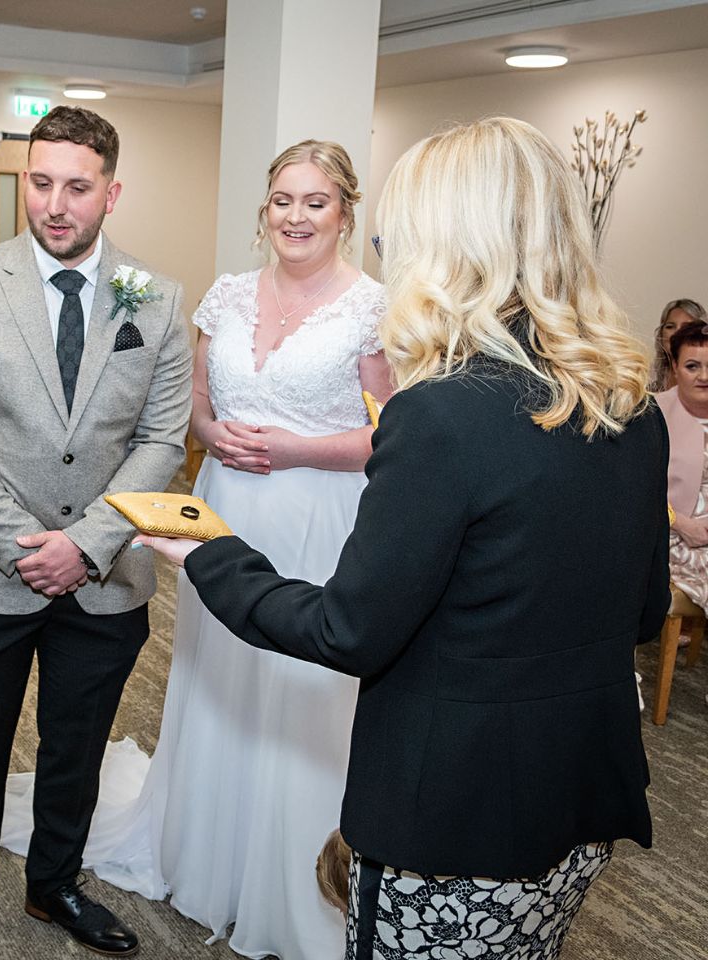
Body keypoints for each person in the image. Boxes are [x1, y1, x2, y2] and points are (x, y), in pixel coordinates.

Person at [138, 117, 668, 960]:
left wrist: (212, 553)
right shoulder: (628, 400)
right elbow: (642, 611)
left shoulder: (441, 415)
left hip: (452, 812)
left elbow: (346, 631)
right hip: (578, 790)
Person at [2, 139, 393, 960]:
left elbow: (386, 436)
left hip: (319, 517)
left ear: (344, 214)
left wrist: (294, 448)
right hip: (225, 509)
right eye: (282, 200)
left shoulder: (370, 309)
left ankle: (290, 872)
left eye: (315, 202)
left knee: (301, 681)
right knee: (222, 674)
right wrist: (214, 437)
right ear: (265, 209)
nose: (295, 217)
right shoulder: (227, 296)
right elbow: (198, 405)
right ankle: (207, 848)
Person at [0, 105, 192, 960]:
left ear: (112, 192)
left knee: (78, 745)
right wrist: (30, 547)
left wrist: (87, 545)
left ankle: (55, 883)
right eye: (41, 183)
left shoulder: (159, 297)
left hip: (106, 578)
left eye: (77, 186)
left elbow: (162, 439)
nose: (55, 204)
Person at [657, 321, 708, 609]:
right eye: (692, 366)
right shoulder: (652, 414)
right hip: (673, 535)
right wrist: (680, 523)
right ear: (675, 367)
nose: (704, 376)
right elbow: (636, 489)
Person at [648, 298, 706, 391]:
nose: (676, 333)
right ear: (661, 333)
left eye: (686, 326)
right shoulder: (647, 378)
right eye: (670, 327)